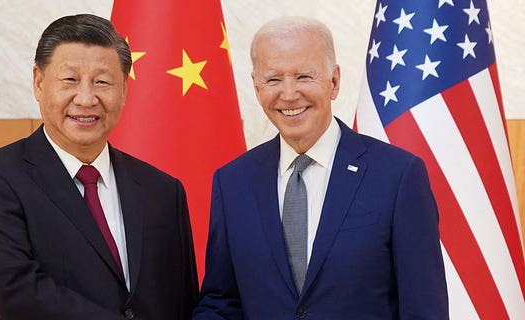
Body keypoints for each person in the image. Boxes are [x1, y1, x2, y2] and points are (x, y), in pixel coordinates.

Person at [192, 16, 448, 319]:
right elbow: (221, 303)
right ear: (256, 86)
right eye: (273, 79)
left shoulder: (398, 176)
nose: (288, 94)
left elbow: (423, 310)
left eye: (303, 77)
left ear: (334, 81)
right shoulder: (232, 182)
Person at [0, 14, 198, 320]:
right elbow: (18, 294)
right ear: (39, 82)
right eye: (70, 80)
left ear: (124, 89)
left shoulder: (163, 190)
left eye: (102, 82)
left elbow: (183, 301)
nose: (86, 99)